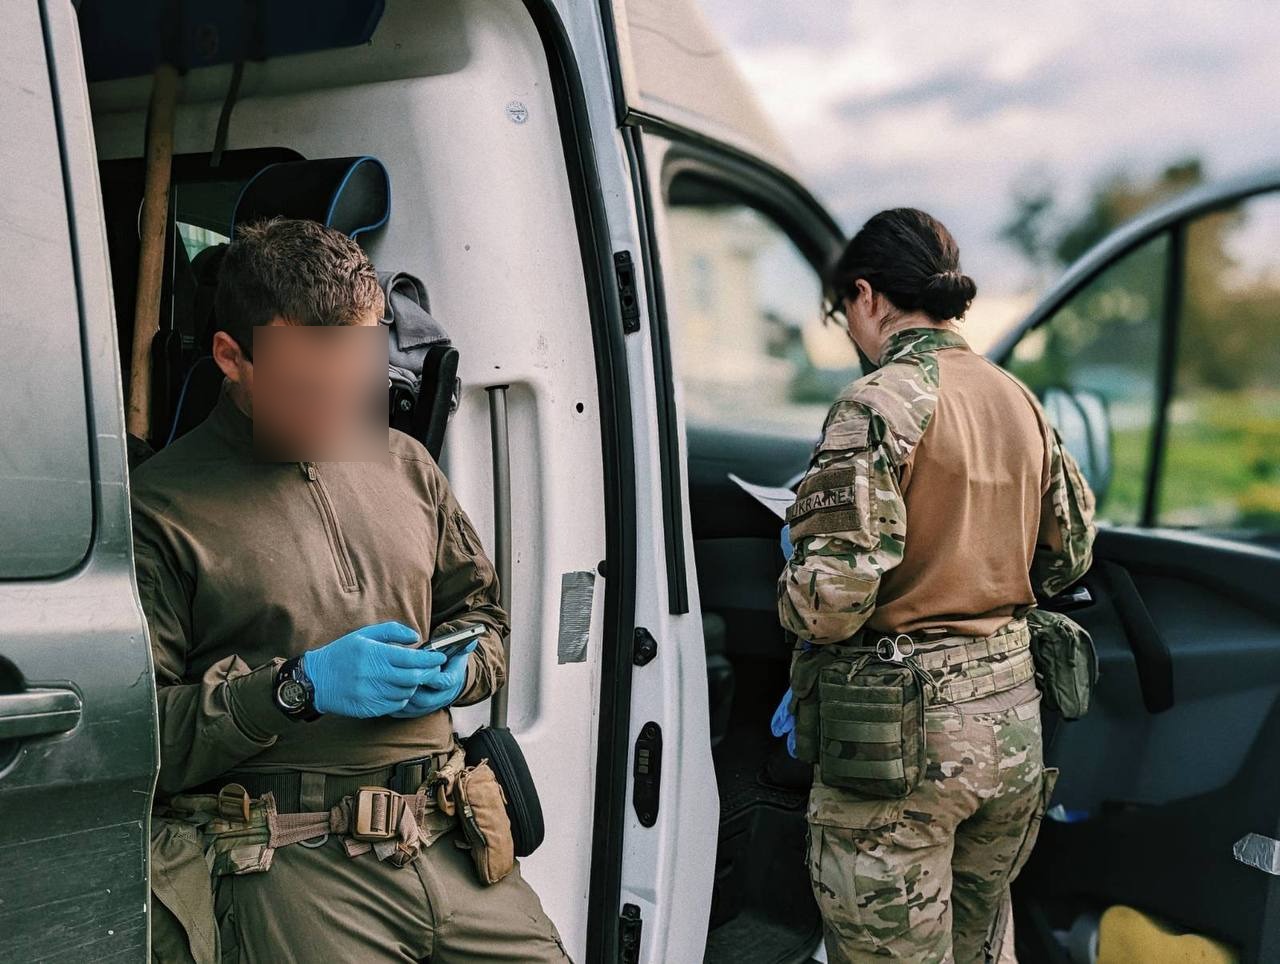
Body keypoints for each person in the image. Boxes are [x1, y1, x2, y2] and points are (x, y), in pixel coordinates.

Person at [132, 217, 569, 962]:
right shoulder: (161, 509)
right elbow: (140, 743)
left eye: (356, 383)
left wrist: (464, 667)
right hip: (292, 866)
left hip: (453, 840)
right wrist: (294, 689)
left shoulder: (406, 464)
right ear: (232, 358)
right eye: (311, 388)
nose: (340, 413)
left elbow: (481, 616)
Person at [777, 209, 1095, 962]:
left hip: (902, 748)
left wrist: (792, 565)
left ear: (867, 296)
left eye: (841, 314)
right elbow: (1070, 553)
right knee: (982, 948)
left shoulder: (879, 402)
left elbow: (829, 603)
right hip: (1013, 729)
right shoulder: (1018, 398)